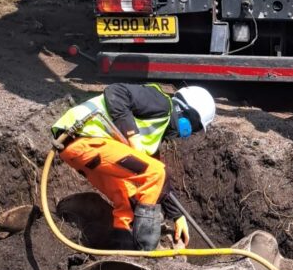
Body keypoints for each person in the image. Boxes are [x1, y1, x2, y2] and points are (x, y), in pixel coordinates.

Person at [50, 83, 215, 250]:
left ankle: (122, 251)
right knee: (156, 173)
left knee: (128, 200)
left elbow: (160, 184)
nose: (183, 135)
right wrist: (133, 136)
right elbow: (115, 92)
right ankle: (146, 252)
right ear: (184, 111)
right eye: (188, 129)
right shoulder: (161, 103)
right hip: (82, 136)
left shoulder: (155, 133)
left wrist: (177, 216)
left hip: (82, 152)